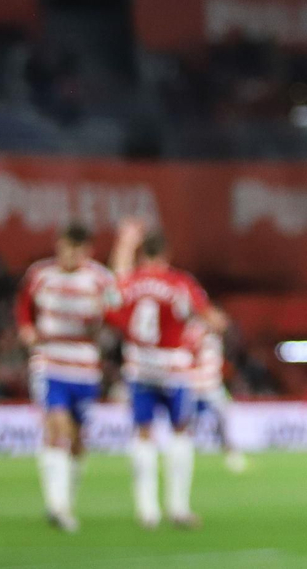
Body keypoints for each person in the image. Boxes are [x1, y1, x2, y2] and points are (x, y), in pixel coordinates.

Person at [110, 222, 225, 529]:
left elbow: (115, 285)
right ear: (166, 253)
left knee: (143, 435)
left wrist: (124, 242)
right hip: (173, 369)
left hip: (139, 368)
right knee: (180, 432)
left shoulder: (132, 280)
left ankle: (147, 511)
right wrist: (216, 322)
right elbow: (210, 317)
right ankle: (178, 508)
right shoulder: (179, 282)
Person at [15, 223, 120, 533]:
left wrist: (99, 320)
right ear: (59, 245)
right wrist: (26, 329)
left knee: (77, 441)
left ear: (87, 251)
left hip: (85, 366)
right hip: (50, 363)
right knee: (56, 429)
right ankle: (56, 506)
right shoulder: (41, 274)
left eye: (77, 249)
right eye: (65, 248)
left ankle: (66, 501)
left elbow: (116, 314)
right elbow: (24, 306)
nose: (70, 255)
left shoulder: (99, 278)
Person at [185, 321, 246, 474]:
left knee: (222, 420)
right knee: (186, 424)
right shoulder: (192, 334)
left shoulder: (215, 340)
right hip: (192, 386)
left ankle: (230, 453)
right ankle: (184, 454)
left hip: (211, 387)